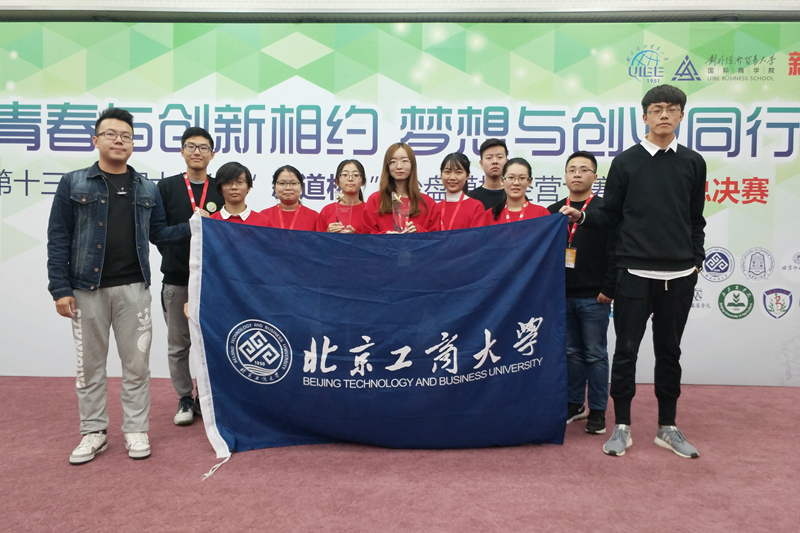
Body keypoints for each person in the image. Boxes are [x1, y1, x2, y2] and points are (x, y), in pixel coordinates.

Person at [560, 84, 706, 459]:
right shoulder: (626, 162)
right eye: (656, 109)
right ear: (644, 117)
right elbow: (611, 214)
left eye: (671, 109)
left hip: (679, 275)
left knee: (669, 353)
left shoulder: (693, 162)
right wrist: (583, 217)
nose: (663, 115)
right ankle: (621, 426)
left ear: (681, 115)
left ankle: (667, 427)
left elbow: (695, 219)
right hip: (634, 273)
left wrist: (696, 258)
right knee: (625, 353)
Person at [47, 107, 196, 464]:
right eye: (111, 134)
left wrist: (196, 226)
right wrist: (60, 288)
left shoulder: (147, 187)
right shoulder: (73, 182)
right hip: (86, 290)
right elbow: (59, 237)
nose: (119, 140)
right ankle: (94, 432)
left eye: (126, 136)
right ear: (96, 140)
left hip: (134, 290)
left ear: (133, 143)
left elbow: (159, 234)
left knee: (137, 366)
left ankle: (135, 428)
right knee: (90, 367)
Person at [157, 127, 223, 427]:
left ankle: (208, 397)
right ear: (182, 151)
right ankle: (185, 397)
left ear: (212, 153)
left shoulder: (222, 187)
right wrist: (191, 227)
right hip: (177, 279)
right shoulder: (166, 187)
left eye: (203, 147)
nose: (197, 152)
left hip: (214, 282)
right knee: (178, 344)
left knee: (213, 343)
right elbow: (157, 234)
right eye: (191, 146)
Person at [547, 151, 616, 436]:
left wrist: (609, 288)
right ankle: (575, 404)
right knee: (571, 353)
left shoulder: (605, 210)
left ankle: (598, 410)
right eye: (572, 169)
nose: (577, 174)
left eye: (584, 169)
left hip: (594, 296)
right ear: (565, 175)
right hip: (561, 295)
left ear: (595, 176)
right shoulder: (553, 211)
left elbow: (616, 251)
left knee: (596, 355)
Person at [362, 143, 437, 234]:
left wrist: (418, 231)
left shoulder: (428, 203)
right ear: (387, 166)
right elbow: (366, 236)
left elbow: (436, 238)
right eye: (393, 161)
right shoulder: (375, 200)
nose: (399, 166)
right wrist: (385, 236)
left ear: (412, 164)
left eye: (404, 161)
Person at [430, 152, 486, 231]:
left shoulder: (476, 207)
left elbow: (476, 236)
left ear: (467, 176)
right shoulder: (435, 208)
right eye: (447, 172)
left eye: (458, 172)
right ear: (441, 175)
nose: (452, 177)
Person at [485, 158, 550, 225]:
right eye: (511, 177)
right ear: (502, 180)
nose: (516, 183)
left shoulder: (541, 214)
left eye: (522, 178)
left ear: (529, 181)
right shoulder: (489, 215)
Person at [261, 165, 320, 231]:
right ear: (274, 187)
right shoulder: (264, 216)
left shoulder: (314, 217)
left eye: (293, 183)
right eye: (282, 183)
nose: (288, 188)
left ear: (301, 187)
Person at [316, 159, 367, 234]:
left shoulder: (368, 211)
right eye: (345, 175)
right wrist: (328, 233)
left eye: (356, 175)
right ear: (337, 181)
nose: (350, 179)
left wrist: (355, 235)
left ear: (363, 181)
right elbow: (318, 239)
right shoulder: (327, 211)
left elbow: (374, 239)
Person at [210, 162, 268, 226]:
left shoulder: (264, 222)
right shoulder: (211, 222)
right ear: (220, 188)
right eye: (227, 183)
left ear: (248, 187)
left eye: (239, 182)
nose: (234, 187)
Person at [466, 138, 508, 210]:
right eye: (489, 158)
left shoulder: (514, 196)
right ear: (481, 163)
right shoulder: (471, 198)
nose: (495, 161)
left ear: (507, 162)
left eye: (499, 157)